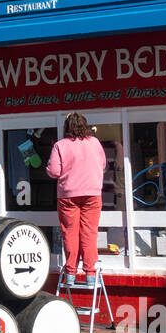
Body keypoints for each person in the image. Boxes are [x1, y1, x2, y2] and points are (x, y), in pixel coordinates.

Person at [46, 112, 107, 284]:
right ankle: (90, 274)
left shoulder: (60, 145)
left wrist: (47, 168)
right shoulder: (95, 143)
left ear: (66, 127)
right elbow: (103, 165)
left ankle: (71, 274)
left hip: (68, 195)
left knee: (70, 233)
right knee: (89, 233)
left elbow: (54, 172)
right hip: (92, 194)